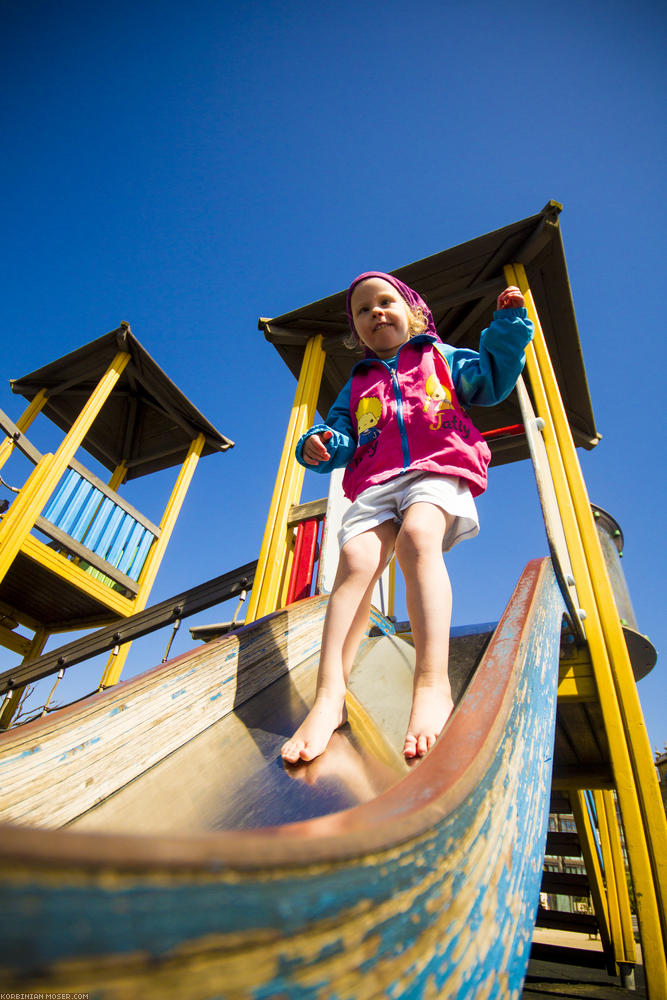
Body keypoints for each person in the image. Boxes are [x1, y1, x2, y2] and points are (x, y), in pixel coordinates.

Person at [280, 271, 533, 763]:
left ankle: (432, 683)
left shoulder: (442, 357)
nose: (376, 312)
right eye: (362, 311)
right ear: (356, 331)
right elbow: (340, 438)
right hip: (376, 480)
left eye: (385, 302)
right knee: (355, 562)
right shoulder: (355, 386)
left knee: (418, 537)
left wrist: (506, 329)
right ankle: (329, 696)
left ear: (412, 310)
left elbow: (492, 382)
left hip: (436, 463)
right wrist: (318, 444)